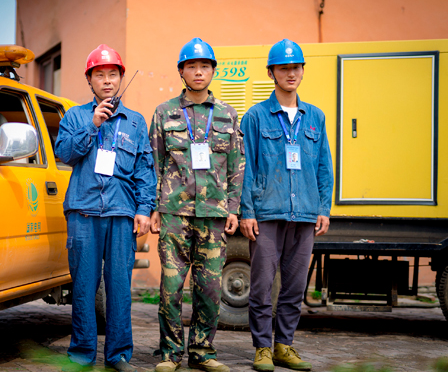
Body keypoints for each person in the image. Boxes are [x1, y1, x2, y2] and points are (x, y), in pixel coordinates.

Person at [55, 44, 157, 372]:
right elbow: (65, 154)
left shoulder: (136, 122)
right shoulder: (74, 116)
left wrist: (144, 208)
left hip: (121, 213)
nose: (108, 81)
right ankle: (82, 354)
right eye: (100, 75)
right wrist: (93, 124)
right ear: (90, 80)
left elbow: (144, 168)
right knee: (84, 286)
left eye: (113, 74)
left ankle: (119, 355)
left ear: (121, 77)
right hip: (83, 213)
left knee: (118, 288)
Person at [149, 37, 245, 372]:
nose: (199, 71)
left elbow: (237, 165)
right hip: (174, 214)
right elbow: (155, 164)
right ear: (181, 71)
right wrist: (153, 209)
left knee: (209, 289)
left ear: (213, 70)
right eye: (192, 66)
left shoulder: (227, 115)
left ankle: (203, 351)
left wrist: (233, 209)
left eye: (205, 65)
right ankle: (170, 354)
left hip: (214, 216)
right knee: (171, 287)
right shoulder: (164, 113)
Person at [239, 39, 333, 371]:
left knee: (294, 285)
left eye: (296, 68)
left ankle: (284, 345)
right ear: (271, 72)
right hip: (267, 212)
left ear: (303, 71)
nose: (290, 74)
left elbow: (323, 165)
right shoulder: (255, 117)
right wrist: (247, 211)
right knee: (263, 284)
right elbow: (246, 167)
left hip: (305, 213)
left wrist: (324, 207)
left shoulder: (315, 117)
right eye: (283, 68)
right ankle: (262, 347)